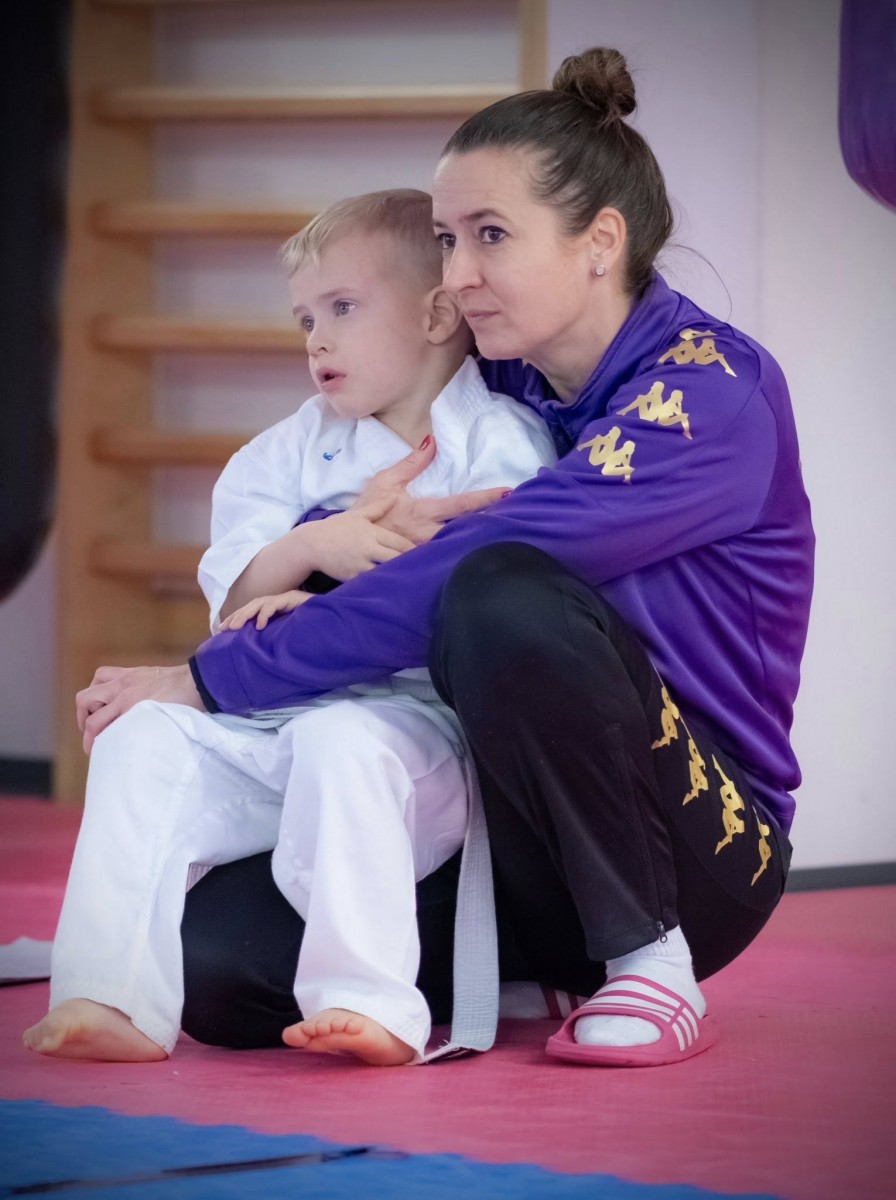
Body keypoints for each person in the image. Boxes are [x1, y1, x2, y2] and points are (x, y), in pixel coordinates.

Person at [60, 46, 814, 1068]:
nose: (456, 276)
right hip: (503, 829)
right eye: (449, 239)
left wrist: (207, 679)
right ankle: (527, 979)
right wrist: (323, 550)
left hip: (695, 849)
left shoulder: (709, 396)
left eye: (490, 236)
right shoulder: (500, 381)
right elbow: (367, 530)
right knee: (222, 969)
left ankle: (648, 961)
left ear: (600, 241)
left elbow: (479, 563)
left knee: (501, 591)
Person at [22, 189, 556, 1067]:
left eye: (343, 308)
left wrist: (335, 599)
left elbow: (497, 603)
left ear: (435, 316)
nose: (316, 339)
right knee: (140, 736)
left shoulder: (502, 443)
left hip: (416, 739)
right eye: (306, 318)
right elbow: (233, 599)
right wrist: (316, 545)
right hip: (275, 719)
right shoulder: (281, 453)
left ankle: (367, 1001)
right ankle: (112, 995)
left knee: (342, 741)